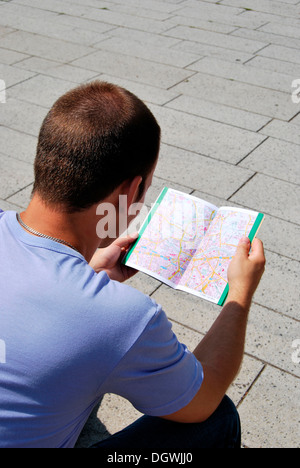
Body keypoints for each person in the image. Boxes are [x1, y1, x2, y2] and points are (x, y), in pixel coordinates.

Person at [0, 81, 265, 449]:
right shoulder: (121, 317)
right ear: (130, 191)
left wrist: (89, 273)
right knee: (219, 419)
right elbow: (202, 398)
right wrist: (240, 293)